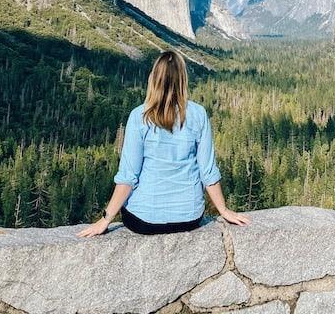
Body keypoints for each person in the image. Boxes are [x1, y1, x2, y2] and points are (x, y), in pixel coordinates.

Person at [77, 49, 250, 236]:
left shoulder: (139, 117)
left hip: (144, 221)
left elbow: (128, 175)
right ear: (183, 80)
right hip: (190, 218)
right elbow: (207, 171)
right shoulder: (199, 114)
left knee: (132, 203)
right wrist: (223, 210)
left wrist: (106, 219)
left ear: (154, 78)